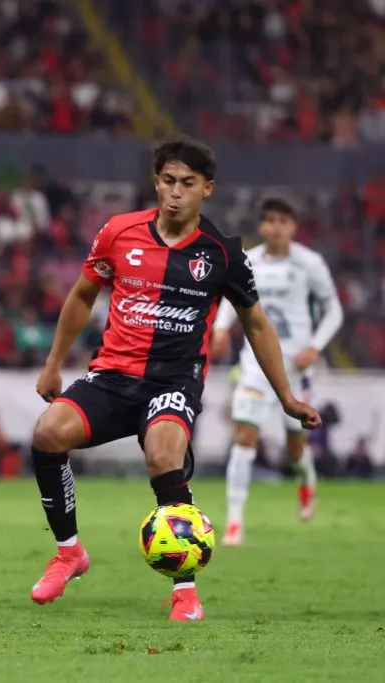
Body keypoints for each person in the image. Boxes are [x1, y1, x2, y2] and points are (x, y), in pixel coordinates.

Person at [27, 138, 321, 621]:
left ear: (207, 188)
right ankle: (69, 553)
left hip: (173, 383)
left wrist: (286, 396)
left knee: (164, 456)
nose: (176, 192)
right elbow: (82, 295)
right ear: (156, 182)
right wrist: (54, 362)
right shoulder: (119, 232)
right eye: (168, 181)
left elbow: (256, 324)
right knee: (47, 433)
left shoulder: (223, 254)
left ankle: (185, 593)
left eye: (187, 183)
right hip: (112, 376)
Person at [210, 198, 342, 544]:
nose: (275, 227)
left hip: (296, 367)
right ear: (261, 226)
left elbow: (333, 311)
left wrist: (315, 346)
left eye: (283, 220)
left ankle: (306, 480)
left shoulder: (309, 263)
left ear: (293, 226)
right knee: (244, 436)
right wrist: (221, 329)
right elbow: (232, 299)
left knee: (295, 448)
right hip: (255, 364)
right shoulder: (249, 261)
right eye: (269, 220)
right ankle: (234, 522)